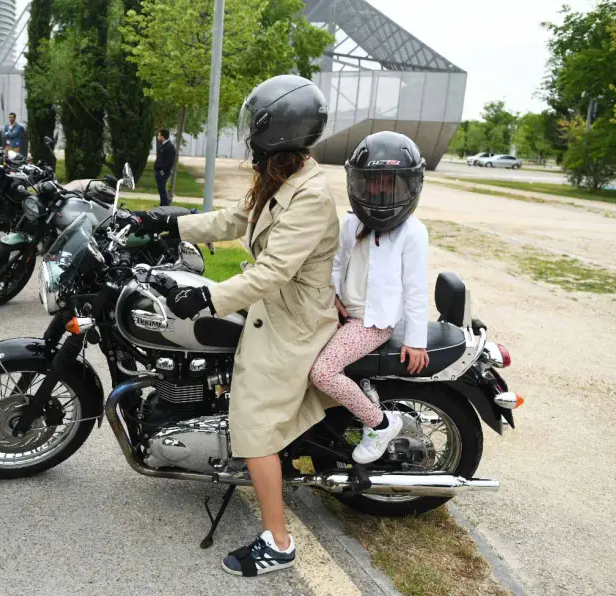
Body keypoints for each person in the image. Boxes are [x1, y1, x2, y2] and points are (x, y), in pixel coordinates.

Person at [132, 75, 338, 577]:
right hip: (273, 305)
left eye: (255, 123)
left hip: (292, 321)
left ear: (277, 129)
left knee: (255, 424)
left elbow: (275, 271)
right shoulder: (281, 176)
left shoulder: (310, 194)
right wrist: (167, 221)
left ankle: (279, 541)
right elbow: (233, 220)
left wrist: (207, 296)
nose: (248, 132)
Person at [309, 131, 430, 463]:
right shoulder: (351, 224)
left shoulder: (413, 232)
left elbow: (417, 289)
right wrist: (331, 295)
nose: (377, 190)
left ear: (408, 185)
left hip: (373, 323)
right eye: (371, 182)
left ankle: (379, 423)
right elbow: (336, 262)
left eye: (387, 183)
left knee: (322, 373)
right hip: (343, 314)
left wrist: (416, 340)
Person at [154, 128, 176, 206]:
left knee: (162, 190)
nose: (158, 137)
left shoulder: (169, 147)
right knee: (161, 190)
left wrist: (162, 170)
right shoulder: (164, 145)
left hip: (163, 173)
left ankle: (165, 206)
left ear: (163, 136)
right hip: (159, 171)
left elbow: (169, 161)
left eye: (159, 135)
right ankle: (163, 204)